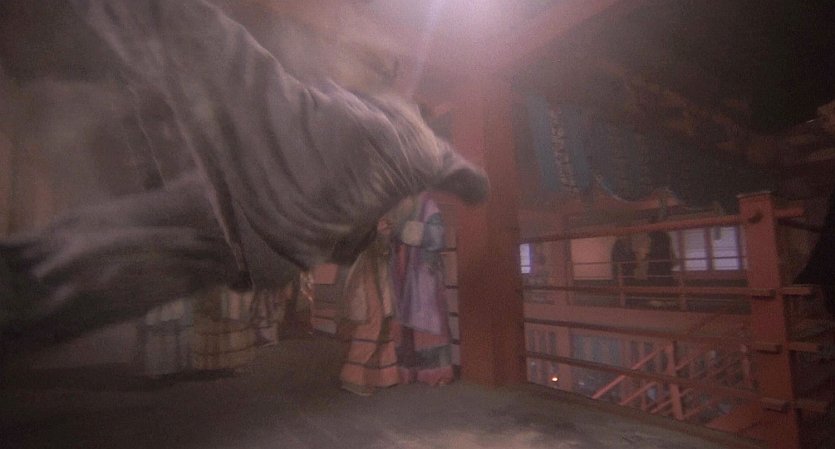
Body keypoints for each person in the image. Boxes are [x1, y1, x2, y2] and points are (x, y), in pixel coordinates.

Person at [0, 0, 489, 353]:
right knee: (122, 259)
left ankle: (25, 284)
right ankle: (27, 296)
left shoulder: (362, 120)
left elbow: (234, 65)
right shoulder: (420, 147)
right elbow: (465, 176)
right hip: (267, 247)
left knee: (220, 59)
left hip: (254, 202)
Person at [391, 193, 454, 386]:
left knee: (429, 320)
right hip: (402, 269)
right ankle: (408, 370)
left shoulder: (428, 205)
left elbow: (437, 236)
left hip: (423, 272)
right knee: (404, 323)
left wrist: (403, 230)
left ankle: (436, 373)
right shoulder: (398, 207)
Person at [336, 218, 399, 396]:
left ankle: (379, 376)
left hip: (375, 265)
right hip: (360, 269)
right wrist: (375, 231)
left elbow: (382, 246)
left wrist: (383, 235)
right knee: (370, 320)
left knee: (382, 318)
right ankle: (352, 377)